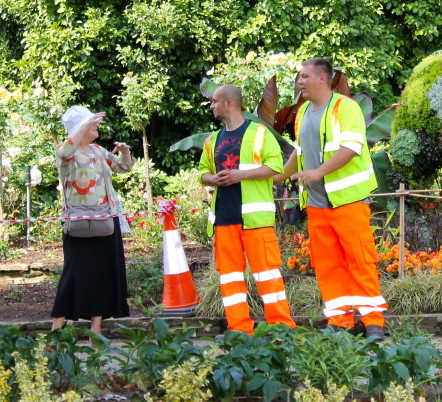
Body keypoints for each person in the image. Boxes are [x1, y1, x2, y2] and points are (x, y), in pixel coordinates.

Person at [274, 58, 387, 339]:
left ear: (323, 78)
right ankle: (340, 322)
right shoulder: (301, 114)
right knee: (328, 266)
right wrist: (274, 178)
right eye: (300, 77)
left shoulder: (345, 108)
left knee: (360, 261)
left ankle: (373, 323)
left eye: (304, 76)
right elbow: (297, 154)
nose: (300, 82)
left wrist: (318, 172)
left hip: (348, 202)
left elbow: (350, 148)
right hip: (317, 206)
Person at [198, 84, 296, 335]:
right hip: (224, 219)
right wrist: (213, 179)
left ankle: (281, 328)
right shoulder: (213, 140)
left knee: (267, 275)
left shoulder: (260, 133)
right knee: (229, 278)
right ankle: (239, 329)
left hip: (255, 220)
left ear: (229, 103)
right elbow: (203, 173)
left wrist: (240, 175)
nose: (212, 106)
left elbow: (276, 168)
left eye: (215, 102)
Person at [51, 105, 135, 335]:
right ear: (81, 127)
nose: (97, 125)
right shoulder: (67, 152)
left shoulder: (98, 151)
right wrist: (85, 123)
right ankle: (56, 330)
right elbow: (64, 153)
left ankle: (96, 331)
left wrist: (124, 151)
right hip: (78, 223)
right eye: (92, 123)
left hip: (106, 221)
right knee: (73, 274)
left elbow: (124, 167)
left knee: (102, 274)